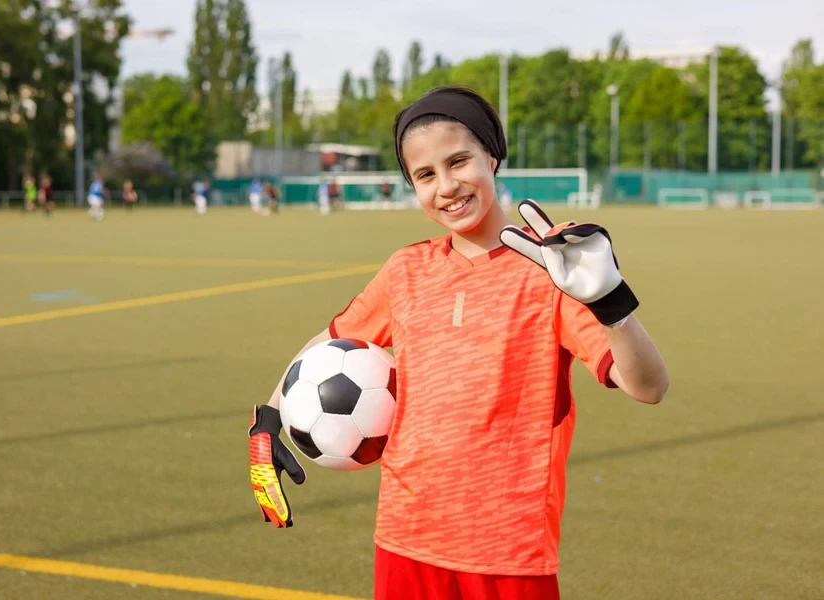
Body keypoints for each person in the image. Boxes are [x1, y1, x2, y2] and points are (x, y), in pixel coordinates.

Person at [247, 87, 669, 600]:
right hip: (404, 539)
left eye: (459, 161)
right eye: (425, 175)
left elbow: (649, 386)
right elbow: (328, 343)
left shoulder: (551, 270)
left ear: (492, 156)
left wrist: (611, 303)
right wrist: (267, 418)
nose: (446, 186)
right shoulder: (406, 270)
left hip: (507, 551)